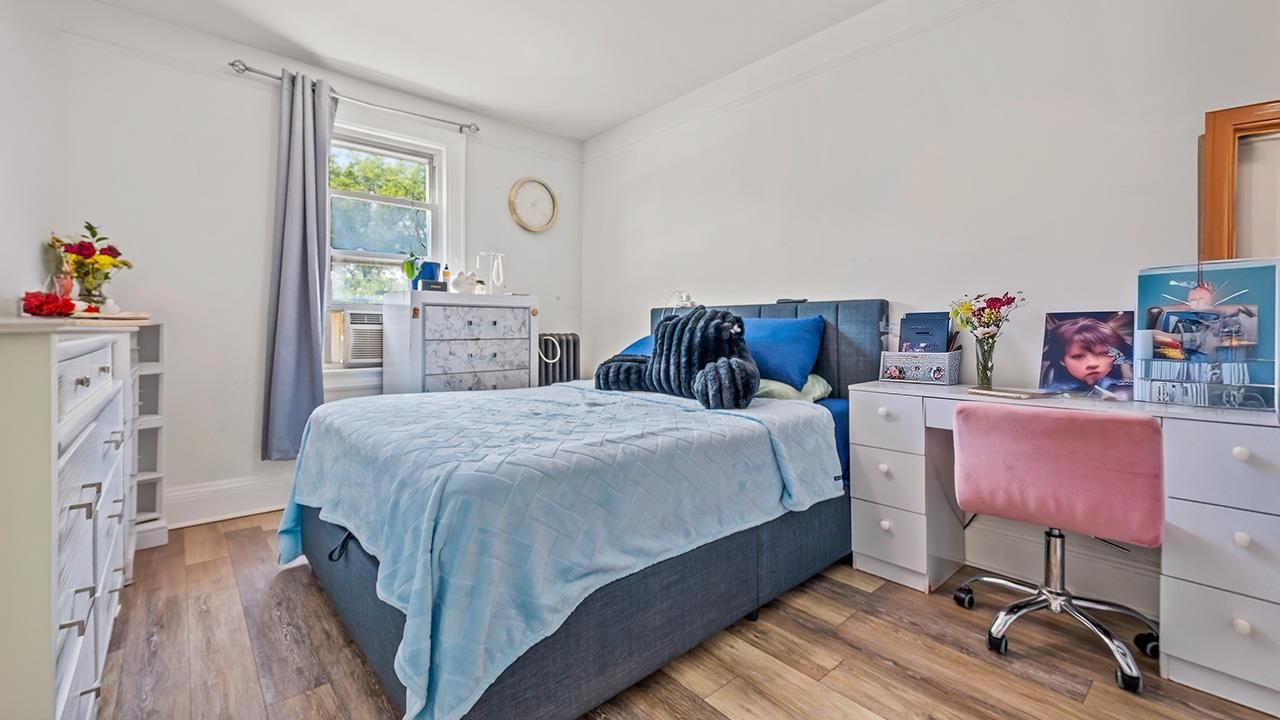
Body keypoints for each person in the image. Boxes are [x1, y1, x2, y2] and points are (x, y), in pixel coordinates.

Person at [1041, 316, 1133, 399]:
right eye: (1078, 356)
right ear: (1062, 360)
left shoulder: (1119, 387)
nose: (1093, 364)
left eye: (1104, 353)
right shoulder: (1057, 396)